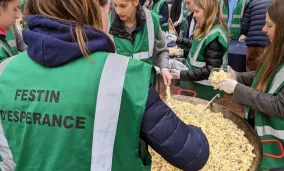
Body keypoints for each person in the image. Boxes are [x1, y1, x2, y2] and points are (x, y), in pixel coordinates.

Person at [0, 0, 210, 170]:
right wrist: (198, 130)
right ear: (94, 8)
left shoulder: (4, 72)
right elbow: (193, 154)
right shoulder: (122, 77)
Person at [218, 0, 284, 170]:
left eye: (269, 25)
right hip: (265, 136)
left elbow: (279, 105)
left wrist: (236, 88)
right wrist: (237, 76)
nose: (263, 29)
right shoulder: (280, 50)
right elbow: (263, 75)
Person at [168, 0, 229, 101]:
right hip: (196, 86)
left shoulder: (214, 36)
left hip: (205, 90)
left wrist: (181, 74)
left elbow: (211, 70)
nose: (193, 15)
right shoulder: (206, 28)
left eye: (197, 11)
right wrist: (182, 52)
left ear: (208, 11)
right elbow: (198, 50)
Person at [108, 0, 172, 86]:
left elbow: (161, 50)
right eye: (115, 5)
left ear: (135, 2)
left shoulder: (152, 20)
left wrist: (164, 68)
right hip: (121, 89)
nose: (118, 11)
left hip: (146, 86)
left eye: (123, 6)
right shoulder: (107, 23)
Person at [239, 0, 273, 71]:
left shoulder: (253, 2)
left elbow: (245, 23)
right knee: (264, 68)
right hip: (266, 41)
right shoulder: (276, 4)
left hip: (252, 41)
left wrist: (244, 34)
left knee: (249, 67)